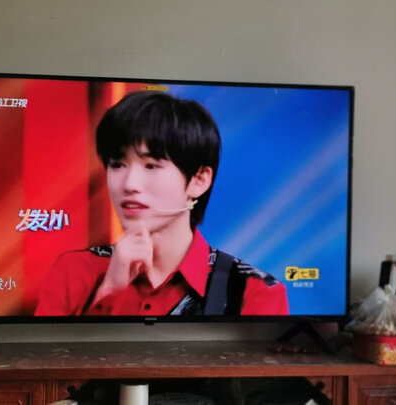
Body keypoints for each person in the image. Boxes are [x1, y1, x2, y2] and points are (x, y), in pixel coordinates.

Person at [35, 91, 288, 316]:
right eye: (118, 164)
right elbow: (48, 353)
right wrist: (110, 290)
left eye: (151, 165)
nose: (129, 184)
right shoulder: (75, 272)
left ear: (199, 180)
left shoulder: (253, 291)